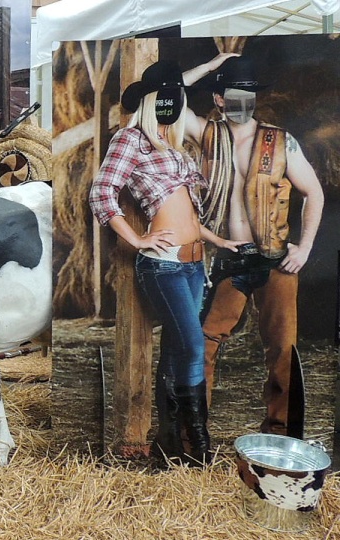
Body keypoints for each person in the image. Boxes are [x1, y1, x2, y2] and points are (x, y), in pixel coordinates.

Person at [89, 60, 244, 466]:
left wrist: (219, 239)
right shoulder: (130, 139)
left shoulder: (171, 144)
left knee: (178, 352)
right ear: (150, 102)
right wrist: (139, 239)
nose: (173, 102)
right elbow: (101, 192)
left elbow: (189, 213)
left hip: (194, 263)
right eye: (166, 96)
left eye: (176, 96)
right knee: (192, 347)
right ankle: (200, 444)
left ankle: (170, 446)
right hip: (164, 264)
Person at [183, 55, 324, 437]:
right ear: (218, 98)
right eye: (234, 94)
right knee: (201, 346)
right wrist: (209, 64)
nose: (243, 102)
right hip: (227, 256)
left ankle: (279, 437)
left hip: (274, 258)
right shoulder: (205, 133)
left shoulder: (280, 142)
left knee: (282, 350)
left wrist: (305, 247)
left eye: (249, 94)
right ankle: (192, 439)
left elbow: (313, 192)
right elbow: (158, 99)